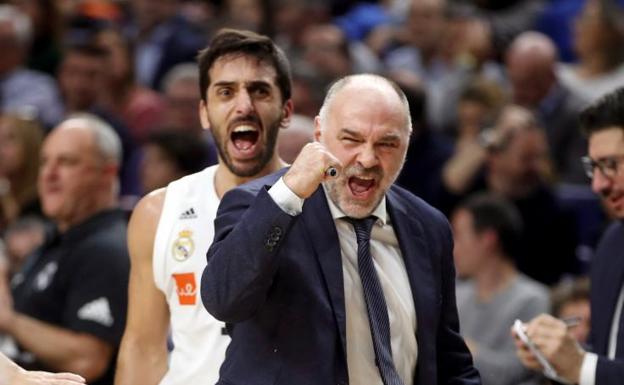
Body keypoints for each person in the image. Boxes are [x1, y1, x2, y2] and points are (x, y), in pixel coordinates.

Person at [202, 73, 480, 385]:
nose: (368, 158)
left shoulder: (428, 226)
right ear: (319, 132)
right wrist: (289, 194)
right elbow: (223, 299)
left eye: (387, 143)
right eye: (352, 139)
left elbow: (448, 358)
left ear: (406, 144)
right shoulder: (260, 205)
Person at [114, 29, 294, 385]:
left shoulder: (319, 206)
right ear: (204, 112)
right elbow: (142, 347)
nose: (244, 105)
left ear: (286, 110)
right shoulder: (158, 211)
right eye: (225, 92)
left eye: (259, 90)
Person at [0, 113, 130, 385]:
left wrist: (9, 319)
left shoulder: (106, 249)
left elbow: (88, 358)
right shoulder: (58, 238)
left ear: (107, 172)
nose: (49, 174)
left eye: (67, 162)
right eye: (45, 162)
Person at [514, 87, 624, 385]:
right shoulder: (613, 244)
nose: (599, 185)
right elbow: (611, 356)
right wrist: (559, 357)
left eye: (612, 165)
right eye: (594, 168)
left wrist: (582, 365)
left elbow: (593, 368)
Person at [452, 192, 549, 385]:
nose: (453, 247)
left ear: (488, 240)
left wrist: (458, 348)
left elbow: (519, 370)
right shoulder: (456, 293)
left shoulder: (531, 299)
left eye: (458, 236)